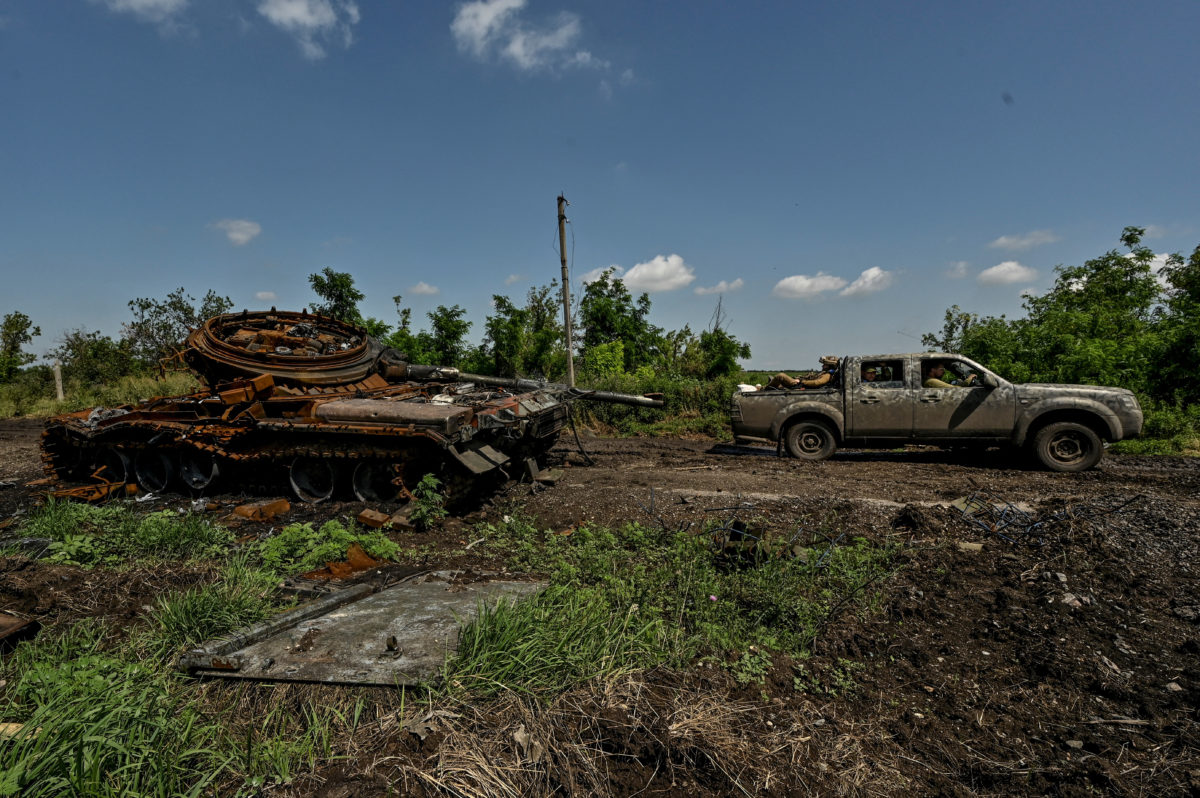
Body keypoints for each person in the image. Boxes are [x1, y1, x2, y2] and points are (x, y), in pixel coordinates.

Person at [764, 356, 839, 390]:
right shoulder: (825, 373)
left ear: (829, 366)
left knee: (781, 376)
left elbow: (817, 383)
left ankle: (764, 389)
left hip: (800, 385)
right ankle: (764, 387)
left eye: (825, 364)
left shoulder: (828, 375)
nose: (823, 366)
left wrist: (802, 382)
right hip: (801, 384)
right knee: (779, 385)